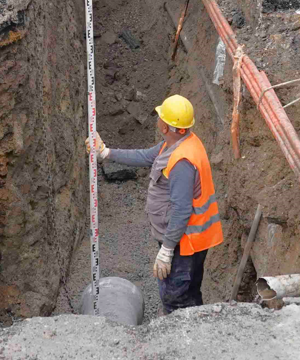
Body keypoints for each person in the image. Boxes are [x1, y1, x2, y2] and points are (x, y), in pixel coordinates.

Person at [89, 95, 224, 314]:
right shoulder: (178, 143)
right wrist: (106, 153)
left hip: (185, 243)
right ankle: (199, 330)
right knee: (190, 293)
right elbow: (145, 156)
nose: (157, 119)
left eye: (161, 117)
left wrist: (167, 250)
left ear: (167, 127)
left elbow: (182, 210)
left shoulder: (182, 161)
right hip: (190, 239)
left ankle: (180, 341)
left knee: (175, 299)